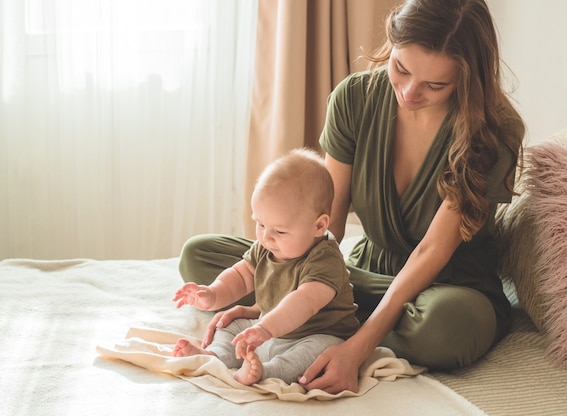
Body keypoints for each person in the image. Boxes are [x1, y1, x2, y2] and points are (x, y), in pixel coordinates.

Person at [178, 0, 525, 393]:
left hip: (448, 285)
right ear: (390, 46)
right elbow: (327, 222)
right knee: (199, 256)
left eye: (435, 85)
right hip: (359, 275)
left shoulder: (493, 131)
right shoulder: (354, 98)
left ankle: (333, 322)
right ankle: (318, 314)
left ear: (468, 77)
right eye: (401, 69)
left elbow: (432, 252)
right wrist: (271, 298)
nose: (410, 93)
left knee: (446, 329)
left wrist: (356, 349)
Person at [172, 148, 360, 386]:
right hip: (270, 328)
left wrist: (265, 328)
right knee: (229, 324)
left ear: (319, 225)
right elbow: (241, 275)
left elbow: (304, 302)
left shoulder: (325, 260)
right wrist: (212, 294)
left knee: (322, 350)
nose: (266, 237)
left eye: (279, 231)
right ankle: (216, 355)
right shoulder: (267, 246)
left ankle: (266, 372)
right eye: (260, 224)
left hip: (314, 334)